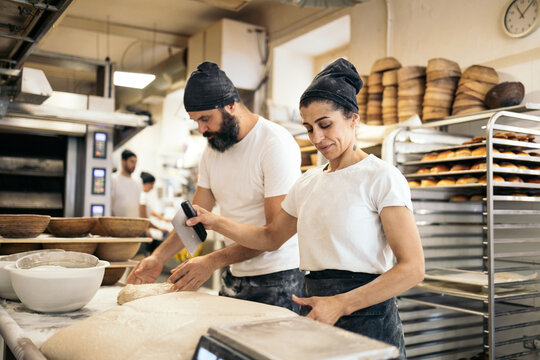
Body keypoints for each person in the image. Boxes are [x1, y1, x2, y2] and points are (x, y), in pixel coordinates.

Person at [186, 58, 424, 358]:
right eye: (309, 128)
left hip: (368, 316)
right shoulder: (308, 183)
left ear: (353, 118)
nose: (317, 138)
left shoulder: (382, 177)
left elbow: (413, 269)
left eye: (325, 125)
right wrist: (215, 222)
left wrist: (341, 304)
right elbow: (271, 238)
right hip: (317, 311)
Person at [127, 61, 304, 313]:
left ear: (231, 105)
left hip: (279, 277)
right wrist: (158, 257)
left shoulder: (274, 144)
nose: (201, 129)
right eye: (195, 121)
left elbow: (273, 235)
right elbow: (193, 219)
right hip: (235, 272)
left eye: (205, 119)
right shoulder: (213, 150)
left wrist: (212, 261)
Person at [139, 171, 172, 251]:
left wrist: (163, 219)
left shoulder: (144, 196)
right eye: (152, 184)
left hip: (146, 229)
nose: (153, 187)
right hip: (142, 231)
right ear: (147, 183)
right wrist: (160, 229)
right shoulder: (141, 196)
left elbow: (151, 211)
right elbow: (144, 220)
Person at [111, 149, 141, 218]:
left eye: (135, 162)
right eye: (131, 161)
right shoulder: (113, 179)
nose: (134, 165)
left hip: (134, 223)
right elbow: (110, 204)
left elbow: (139, 206)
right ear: (123, 161)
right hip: (117, 224)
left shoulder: (138, 182)